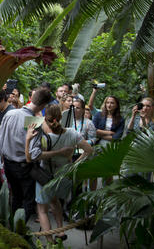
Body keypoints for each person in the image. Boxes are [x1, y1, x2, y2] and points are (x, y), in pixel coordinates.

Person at [26, 104, 93, 244]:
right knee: (56, 202)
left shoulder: (43, 136)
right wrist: (74, 165)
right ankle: (60, 231)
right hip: (63, 174)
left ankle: (50, 240)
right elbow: (89, 150)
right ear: (61, 118)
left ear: (46, 119)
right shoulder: (72, 133)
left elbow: (35, 156)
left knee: (42, 209)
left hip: (46, 175)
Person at [0, 88, 52, 219]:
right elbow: (34, 154)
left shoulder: (10, 114)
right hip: (23, 167)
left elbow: (0, 140)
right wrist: (58, 152)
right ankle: (20, 229)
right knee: (28, 200)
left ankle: (13, 226)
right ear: (43, 105)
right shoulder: (33, 121)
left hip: (8, 164)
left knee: (16, 197)